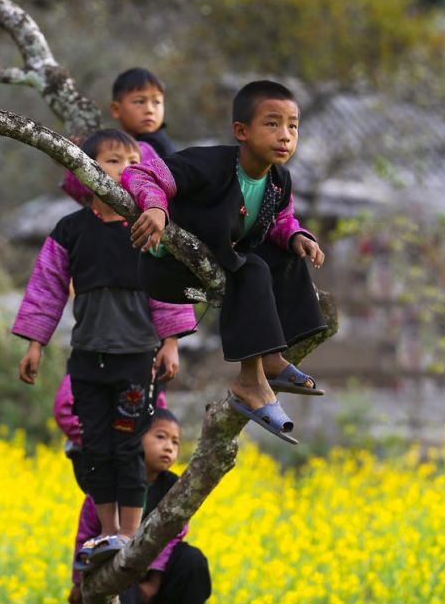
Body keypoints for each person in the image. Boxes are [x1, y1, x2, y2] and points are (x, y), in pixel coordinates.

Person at [13, 128, 196, 565]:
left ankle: (129, 535)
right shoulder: (70, 230)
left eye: (135, 161)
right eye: (114, 160)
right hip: (87, 361)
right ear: (88, 170)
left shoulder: (148, 226)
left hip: (136, 359)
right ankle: (108, 533)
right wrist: (35, 344)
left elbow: (167, 290)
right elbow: (46, 288)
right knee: (94, 447)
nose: (127, 169)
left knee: (129, 445)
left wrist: (170, 343)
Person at [122, 80, 326, 444]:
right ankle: (250, 379)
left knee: (285, 256)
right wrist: (155, 206)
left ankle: (273, 359)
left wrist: (297, 236)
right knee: (252, 268)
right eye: (272, 124)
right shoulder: (209, 164)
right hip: (171, 270)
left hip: (223, 260)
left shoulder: (279, 180)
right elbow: (140, 173)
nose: (285, 135)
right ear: (241, 131)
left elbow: (279, 221)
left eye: (293, 126)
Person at [66, 401, 212, 604]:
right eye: (161, 437)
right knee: (121, 566)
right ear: (135, 439)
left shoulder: (175, 487)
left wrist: (154, 580)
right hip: (122, 569)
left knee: (193, 560)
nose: (168, 447)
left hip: (160, 570)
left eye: (175, 442)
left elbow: (174, 536)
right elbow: (86, 532)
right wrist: (78, 580)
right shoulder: (110, 481)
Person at [61, 66, 175, 207]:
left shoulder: (153, 145)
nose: (150, 110)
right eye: (140, 101)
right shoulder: (121, 142)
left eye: (156, 102)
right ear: (116, 109)